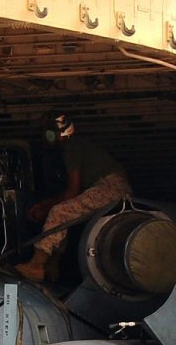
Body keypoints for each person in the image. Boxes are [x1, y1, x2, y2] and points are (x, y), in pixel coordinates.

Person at [16, 114, 130, 281]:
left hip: (109, 188)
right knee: (65, 216)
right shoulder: (78, 145)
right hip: (114, 188)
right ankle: (52, 268)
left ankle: (36, 264)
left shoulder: (72, 147)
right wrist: (45, 204)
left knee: (60, 213)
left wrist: (45, 208)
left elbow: (72, 192)